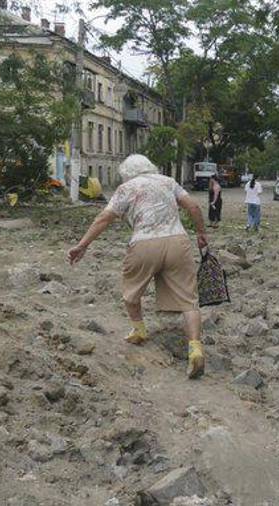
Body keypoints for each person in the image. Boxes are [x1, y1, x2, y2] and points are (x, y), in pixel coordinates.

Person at [67, 154, 208, 379]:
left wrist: (82, 245)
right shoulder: (168, 182)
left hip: (145, 242)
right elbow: (193, 206)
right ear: (150, 167)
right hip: (177, 242)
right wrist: (201, 233)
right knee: (189, 301)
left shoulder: (126, 188)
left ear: (127, 172)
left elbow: (104, 219)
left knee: (131, 291)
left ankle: (139, 330)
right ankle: (195, 348)